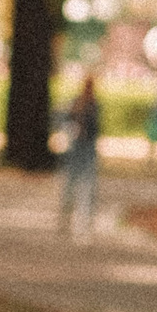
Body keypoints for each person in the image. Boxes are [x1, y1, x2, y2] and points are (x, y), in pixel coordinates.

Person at [57, 71, 102, 233]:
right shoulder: (79, 103)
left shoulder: (93, 105)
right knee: (72, 184)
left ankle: (84, 220)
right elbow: (64, 120)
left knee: (86, 186)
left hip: (86, 150)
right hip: (78, 149)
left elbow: (95, 129)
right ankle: (66, 218)